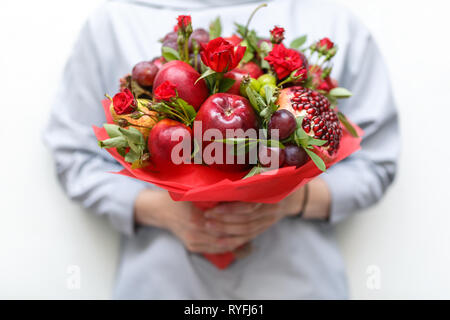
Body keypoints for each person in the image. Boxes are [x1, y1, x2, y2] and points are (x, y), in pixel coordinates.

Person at [44, 0, 400, 299]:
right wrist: (159, 210)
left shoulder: (331, 18)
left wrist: (296, 200)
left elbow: (376, 160)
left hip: (295, 281)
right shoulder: (114, 22)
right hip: (164, 283)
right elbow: (72, 153)